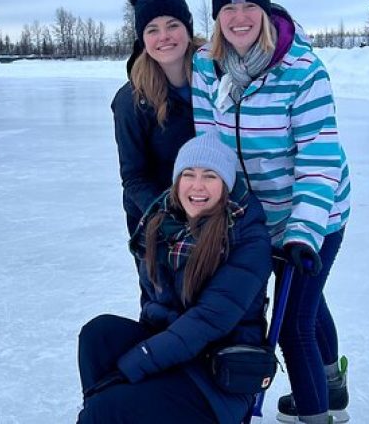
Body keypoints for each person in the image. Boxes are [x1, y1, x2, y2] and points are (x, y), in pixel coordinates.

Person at [192, 0, 352, 424]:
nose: (239, 17)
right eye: (228, 7)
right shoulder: (207, 67)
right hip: (257, 220)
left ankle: (315, 414)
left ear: (264, 9)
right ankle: (332, 389)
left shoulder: (302, 71)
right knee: (308, 300)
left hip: (316, 214)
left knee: (293, 325)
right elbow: (211, 148)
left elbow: (319, 160)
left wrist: (304, 233)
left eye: (249, 6)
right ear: (218, 15)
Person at [76, 132, 273, 424]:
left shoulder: (248, 239)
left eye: (210, 176)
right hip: (177, 353)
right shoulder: (164, 221)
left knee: (106, 408)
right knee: (99, 334)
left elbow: (206, 322)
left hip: (218, 376)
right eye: (188, 174)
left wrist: (137, 362)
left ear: (226, 185)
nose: (197, 186)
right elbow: (152, 306)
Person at [111, 0, 197, 240]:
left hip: (213, 213)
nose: (164, 36)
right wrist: (171, 220)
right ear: (142, 38)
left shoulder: (215, 79)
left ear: (188, 28)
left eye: (173, 25)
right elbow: (134, 176)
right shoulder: (131, 101)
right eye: (152, 29)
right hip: (157, 221)